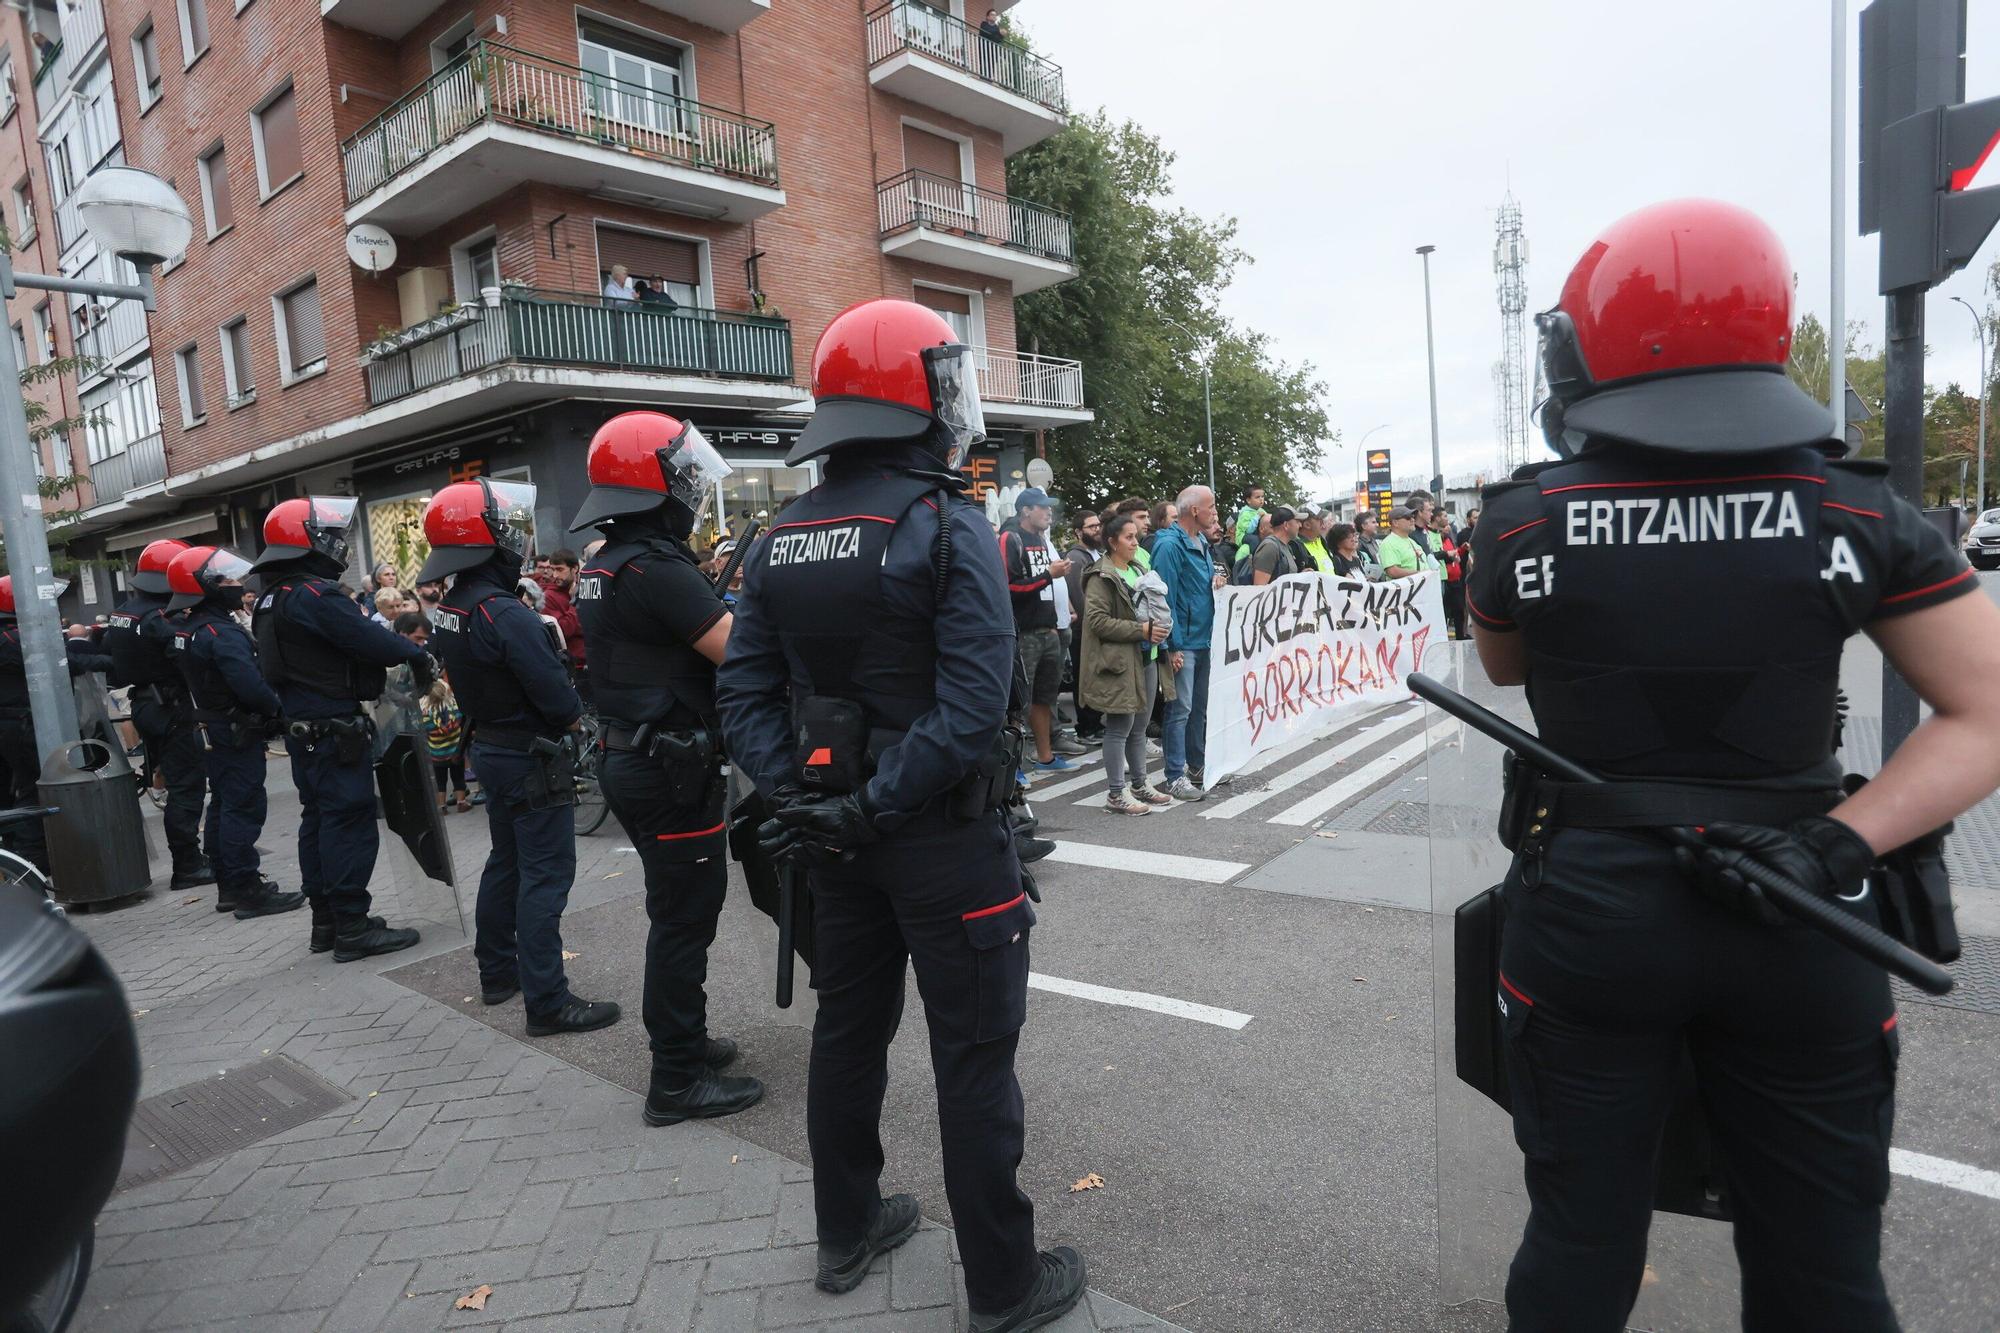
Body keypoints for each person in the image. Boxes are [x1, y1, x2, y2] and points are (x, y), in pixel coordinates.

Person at [1465, 198, 2000, 1333]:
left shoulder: (1516, 523)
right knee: (1821, 1264)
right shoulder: (1856, 510)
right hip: (1802, 912)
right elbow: (1982, 713)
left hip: (1590, 917)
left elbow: (1507, 671)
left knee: (1576, 1234)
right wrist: (1834, 847)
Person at [716, 298, 1085, 1330]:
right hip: (937, 841)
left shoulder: (778, 535)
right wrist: (871, 805)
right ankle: (1002, 1288)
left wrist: (803, 798)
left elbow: (740, 696)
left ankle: (845, 1230)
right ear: (916, 396)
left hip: (833, 838)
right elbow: (973, 710)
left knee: (849, 1032)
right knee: (970, 1058)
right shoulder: (943, 522)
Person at [569, 410, 762, 1125]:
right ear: (653, 486)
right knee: (684, 919)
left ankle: (688, 1038)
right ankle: (675, 1077)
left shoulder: (606, 559)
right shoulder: (658, 566)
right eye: (681, 476)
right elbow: (737, 652)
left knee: (675, 912)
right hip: (668, 763)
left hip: (634, 754)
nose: (689, 488)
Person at [420, 479, 617, 1037]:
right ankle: (549, 1002)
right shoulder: (502, 610)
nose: (515, 539)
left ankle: (497, 974)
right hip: (530, 755)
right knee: (545, 876)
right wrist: (575, 718)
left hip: (493, 748)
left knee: (506, 863)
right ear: (487, 540)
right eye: (505, 529)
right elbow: (554, 692)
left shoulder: (454, 604)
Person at [251, 497, 429, 961]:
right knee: (348, 823)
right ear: (305, 542)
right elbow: (374, 642)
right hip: (334, 730)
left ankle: (327, 921)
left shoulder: (274, 598)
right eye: (326, 535)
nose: (335, 544)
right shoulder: (316, 595)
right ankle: (352, 925)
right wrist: (417, 654)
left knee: (319, 821)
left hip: (306, 730)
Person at [164, 548, 304, 919]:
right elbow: (250, 685)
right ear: (206, 586)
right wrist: (279, 711)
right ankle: (247, 891)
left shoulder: (190, 628)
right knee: (243, 807)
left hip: (214, 726)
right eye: (226, 579)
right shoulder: (219, 632)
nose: (236, 584)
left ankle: (230, 885)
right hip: (234, 728)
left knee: (224, 806)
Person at [103, 539, 213, 892]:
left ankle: (190, 861)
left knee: (173, 782)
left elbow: (112, 664)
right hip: (169, 708)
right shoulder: (158, 618)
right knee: (187, 787)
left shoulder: (124, 612)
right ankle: (187, 865)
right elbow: (189, 656)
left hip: (145, 705)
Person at [1081, 513, 1174, 815]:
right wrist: (1142, 630)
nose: (1136, 542)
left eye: (1136, 536)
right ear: (1112, 541)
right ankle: (1115, 793)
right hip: (1119, 663)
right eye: (1129, 537)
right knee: (1120, 727)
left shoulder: (1138, 568)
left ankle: (1139, 784)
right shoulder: (1101, 576)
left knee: (1140, 728)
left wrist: (1160, 633)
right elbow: (1097, 622)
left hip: (1146, 658)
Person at [999, 488, 1075, 774]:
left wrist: (1055, 625)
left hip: (1048, 631)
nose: (1048, 512)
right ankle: (1011, 768)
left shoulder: (1041, 540)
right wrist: (1048, 576)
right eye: (1042, 507)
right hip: (1025, 632)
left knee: (1045, 697)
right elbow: (1009, 587)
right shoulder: (1010, 538)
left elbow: (1044, 589)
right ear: (1025, 510)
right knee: (1018, 700)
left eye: (1049, 507)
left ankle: (1045, 757)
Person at [1153, 484, 1220, 800]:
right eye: (1211, 506)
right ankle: (1174, 776)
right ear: (1195, 510)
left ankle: (1197, 765)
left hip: (1203, 639)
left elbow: (1195, 589)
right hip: (1185, 642)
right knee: (1180, 710)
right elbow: (1164, 599)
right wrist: (1172, 645)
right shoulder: (1169, 546)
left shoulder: (1201, 541)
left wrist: (1215, 582)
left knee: (1199, 709)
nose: (1214, 512)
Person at [1061, 511, 1104, 744]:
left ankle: (1095, 724)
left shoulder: (1096, 553)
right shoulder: (1077, 558)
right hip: (1084, 631)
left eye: (1098, 525)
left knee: (1095, 679)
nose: (1097, 529)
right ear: (1079, 532)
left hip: (1095, 629)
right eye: (1091, 526)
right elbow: (1079, 596)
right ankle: (1086, 727)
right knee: (1084, 679)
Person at [1251, 506, 1299, 586]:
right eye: (1297, 522)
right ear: (1286, 525)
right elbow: (1259, 587)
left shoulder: (1286, 546)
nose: (1300, 525)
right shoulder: (1270, 547)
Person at [1377, 507, 1429, 579]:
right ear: (1395, 523)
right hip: (1406, 589)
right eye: (1408, 518)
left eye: (1413, 517)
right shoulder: (1388, 543)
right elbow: (1392, 572)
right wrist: (1419, 574)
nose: (1413, 520)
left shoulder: (1412, 541)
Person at [1233, 484, 1266, 552]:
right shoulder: (1245, 513)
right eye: (1257, 497)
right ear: (1248, 500)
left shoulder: (1262, 511)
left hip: (1256, 534)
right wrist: (1257, 517)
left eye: (1262, 496)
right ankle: (1254, 557)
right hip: (1243, 536)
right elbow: (1248, 530)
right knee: (1254, 540)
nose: (1261, 499)